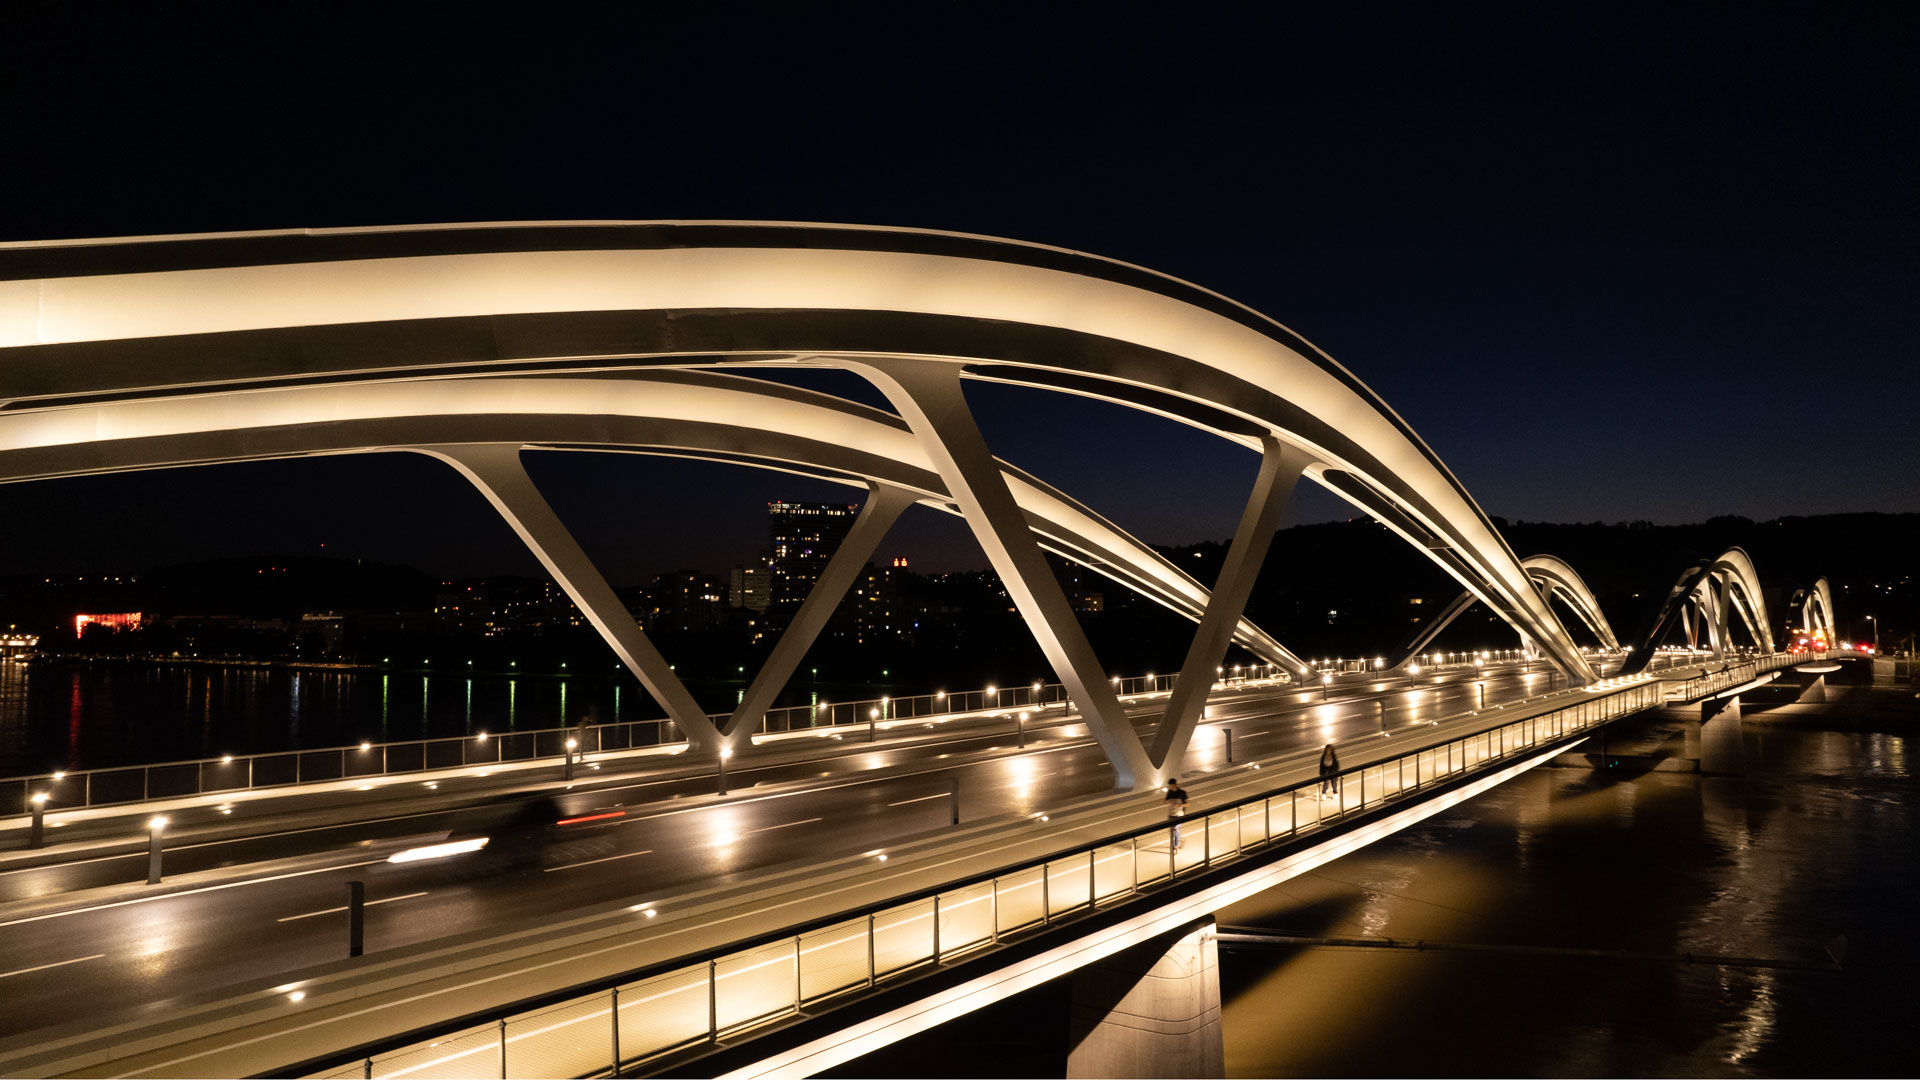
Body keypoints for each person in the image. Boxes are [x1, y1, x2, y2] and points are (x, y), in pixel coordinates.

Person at [1164, 777, 1189, 851]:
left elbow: (1188, 804)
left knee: (1176, 831)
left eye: (1172, 785)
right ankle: (1181, 840)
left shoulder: (1182, 793)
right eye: (1170, 786)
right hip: (1171, 814)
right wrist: (1167, 801)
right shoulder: (1169, 792)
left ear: (1175, 784)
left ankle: (1176, 848)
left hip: (1179, 814)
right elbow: (1166, 800)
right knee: (1171, 831)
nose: (1171, 787)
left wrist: (1180, 805)